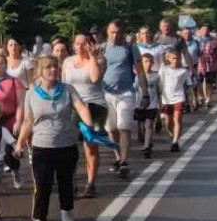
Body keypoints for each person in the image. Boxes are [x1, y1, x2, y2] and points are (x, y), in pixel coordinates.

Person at [16, 56, 98, 221]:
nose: (53, 70)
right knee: (42, 184)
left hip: (66, 144)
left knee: (65, 182)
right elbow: (28, 121)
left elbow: (81, 107)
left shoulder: (68, 89)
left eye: (55, 67)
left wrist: (89, 125)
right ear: (40, 71)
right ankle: (38, 220)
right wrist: (20, 143)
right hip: (41, 147)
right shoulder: (31, 94)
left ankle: (67, 213)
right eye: (48, 67)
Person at [62, 34, 108, 198]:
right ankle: (71, 182)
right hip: (74, 106)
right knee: (70, 146)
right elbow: (64, 84)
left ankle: (90, 184)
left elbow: (95, 78)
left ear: (91, 45)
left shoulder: (100, 60)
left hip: (95, 106)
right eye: (77, 44)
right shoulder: (68, 62)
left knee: (90, 145)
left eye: (84, 44)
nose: (80, 47)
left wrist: (92, 57)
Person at [99, 21, 146, 180]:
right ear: (107, 32)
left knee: (124, 126)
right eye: (112, 32)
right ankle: (118, 157)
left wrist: (145, 93)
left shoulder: (130, 48)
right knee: (112, 129)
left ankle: (125, 161)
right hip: (106, 93)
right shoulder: (102, 49)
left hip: (126, 92)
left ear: (123, 32)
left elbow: (140, 71)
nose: (115, 35)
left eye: (118, 32)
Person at [157, 48, 191, 152]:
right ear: (168, 59)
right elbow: (159, 84)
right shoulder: (164, 70)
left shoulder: (183, 71)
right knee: (168, 123)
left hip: (179, 98)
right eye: (173, 58)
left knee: (178, 119)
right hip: (166, 99)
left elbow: (189, 85)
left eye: (177, 58)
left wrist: (190, 99)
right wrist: (158, 98)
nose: (175, 60)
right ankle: (173, 135)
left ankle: (175, 141)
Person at [135, 51, 160, 159]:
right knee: (142, 127)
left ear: (153, 63)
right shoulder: (138, 76)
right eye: (146, 61)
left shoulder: (156, 76)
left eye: (150, 61)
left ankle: (146, 147)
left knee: (149, 125)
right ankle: (148, 141)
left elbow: (159, 91)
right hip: (140, 104)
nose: (148, 63)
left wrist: (159, 106)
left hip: (152, 104)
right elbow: (134, 89)